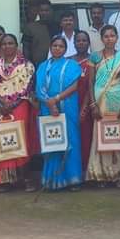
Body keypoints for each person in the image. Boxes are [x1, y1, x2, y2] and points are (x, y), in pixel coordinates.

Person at [0, 33, 37, 191]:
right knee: (2, 141)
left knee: (20, 140)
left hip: (20, 105)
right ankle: (5, 180)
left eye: (11, 43)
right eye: (4, 44)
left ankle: (25, 179)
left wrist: (12, 104)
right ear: (0, 47)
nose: (7, 46)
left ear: (17, 46)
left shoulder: (26, 65)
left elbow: (27, 88)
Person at [36, 36, 84, 191]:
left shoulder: (72, 65)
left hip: (67, 106)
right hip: (47, 108)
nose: (57, 48)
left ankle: (73, 180)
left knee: (70, 141)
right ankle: (53, 180)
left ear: (65, 49)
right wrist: (50, 104)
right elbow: (39, 89)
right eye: (55, 45)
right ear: (50, 47)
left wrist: (56, 99)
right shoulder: (43, 66)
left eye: (61, 46)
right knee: (52, 141)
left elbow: (74, 86)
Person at [87, 25, 120, 187]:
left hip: (117, 100)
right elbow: (90, 82)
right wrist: (92, 104)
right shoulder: (95, 57)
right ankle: (100, 175)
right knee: (99, 136)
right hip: (99, 101)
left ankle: (116, 175)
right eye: (106, 36)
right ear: (101, 38)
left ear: (117, 37)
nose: (109, 39)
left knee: (116, 136)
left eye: (112, 35)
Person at [74, 30, 96, 172]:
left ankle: (88, 170)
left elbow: (92, 84)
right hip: (71, 103)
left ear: (89, 43)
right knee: (74, 138)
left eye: (84, 40)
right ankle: (75, 170)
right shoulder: (68, 61)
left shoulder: (94, 60)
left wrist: (86, 106)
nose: (81, 43)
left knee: (87, 136)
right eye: (78, 40)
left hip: (89, 103)